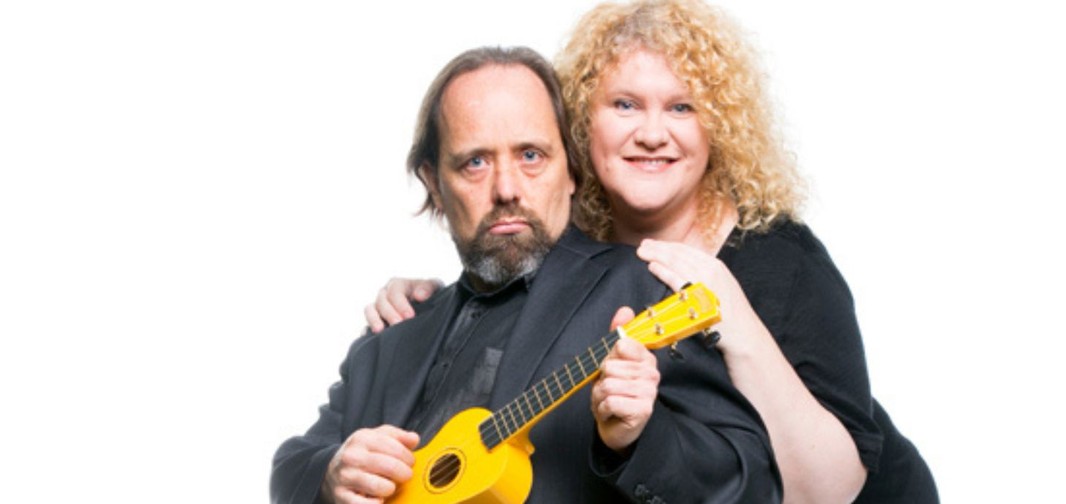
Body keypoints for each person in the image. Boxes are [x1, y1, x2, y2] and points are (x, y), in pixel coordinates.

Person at [364, 1, 938, 502]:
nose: (652, 133)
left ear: (720, 128)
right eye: (625, 105)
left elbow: (832, 490)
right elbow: (501, 268)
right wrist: (428, 307)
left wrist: (734, 320)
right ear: (582, 124)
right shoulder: (579, 237)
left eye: (682, 108)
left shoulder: (783, 262)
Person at [271, 46, 780, 504]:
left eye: (530, 155)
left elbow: (752, 484)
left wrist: (638, 438)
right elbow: (291, 464)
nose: (507, 188)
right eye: (474, 163)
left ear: (572, 168)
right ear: (434, 182)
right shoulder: (394, 330)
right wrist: (330, 475)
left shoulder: (640, 290)